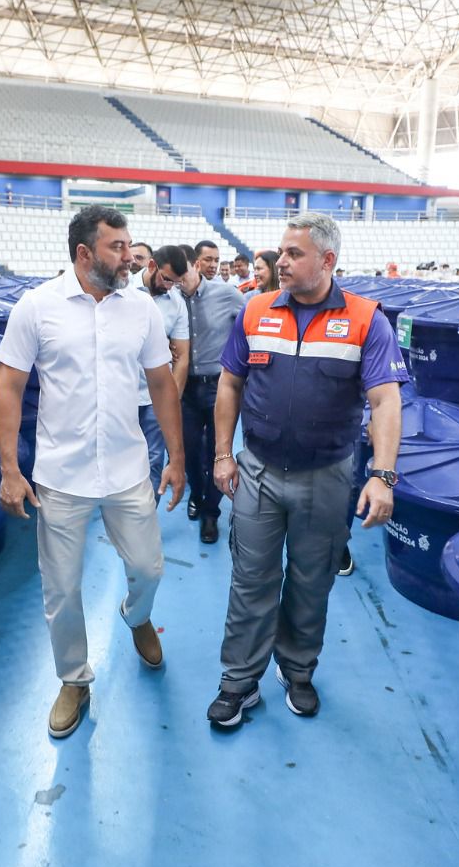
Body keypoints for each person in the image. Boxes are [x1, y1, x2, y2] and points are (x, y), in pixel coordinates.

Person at [206, 212, 405, 728]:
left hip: (327, 476)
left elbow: (385, 402)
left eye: (294, 254)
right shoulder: (255, 311)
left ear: (327, 260)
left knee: (311, 580)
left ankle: (296, 670)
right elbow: (229, 384)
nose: (282, 262)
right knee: (251, 579)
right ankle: (238, 681)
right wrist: (224, 454)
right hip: (260, 471)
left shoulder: (366, 320)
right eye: (282, 252)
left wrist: (383, 477)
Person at [0, 205, 186, 739]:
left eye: (129, 246)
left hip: (127, 468)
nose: (130, 257)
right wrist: (11, 469)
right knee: (61, 587)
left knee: (148, 567)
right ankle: (74, 679)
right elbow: (8, 388)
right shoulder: (37, 307)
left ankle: (136, 614)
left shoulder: (141, 309)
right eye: (117, 248)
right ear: (84, 253)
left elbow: (163, 384)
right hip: (61, 473)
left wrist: (177, 457)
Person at [180, 240, 248, 543]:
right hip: (184, 388)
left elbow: (248, 329)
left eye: (216, 259)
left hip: (219, 387)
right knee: (188, 450)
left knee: (216, 454)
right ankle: (197, 492)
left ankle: (210, 514)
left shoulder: (228, 295)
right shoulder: (172, 297)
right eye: (207, 259)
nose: (211, 264)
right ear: (194, 262)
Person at [133, 244, 192, 496]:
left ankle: (145, 519)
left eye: (175, 283)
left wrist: (170, 401)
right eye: (167, 279)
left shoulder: (176, 304)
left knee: (153, 462)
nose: (169, 286)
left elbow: (182, 357)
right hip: (118, 394)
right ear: (151, 266)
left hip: (152, 398)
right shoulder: (120, 290)